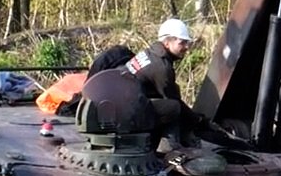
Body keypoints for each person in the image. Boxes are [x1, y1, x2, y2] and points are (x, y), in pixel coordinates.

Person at [77, 18, 197, 146]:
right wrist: (197, 119)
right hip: (123, 112)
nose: (186, 47)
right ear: (167, 43)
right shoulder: (162, 67)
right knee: (173, 107)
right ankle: (167, 146)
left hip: (114, 105)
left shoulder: (148, 53)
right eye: (182, 43)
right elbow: (172, 98)